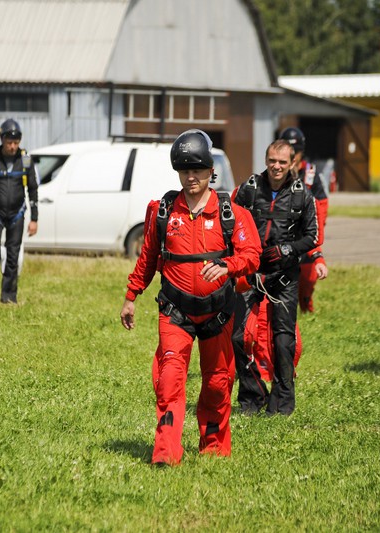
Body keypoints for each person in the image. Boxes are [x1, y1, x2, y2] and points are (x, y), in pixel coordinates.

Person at [120, 129, 261, 465]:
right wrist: (131, 296)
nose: (191, 177)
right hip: (175, 312)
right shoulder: (163, 210)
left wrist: (228, 265)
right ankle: (166, 453)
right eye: (185, 171)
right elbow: (149, 256)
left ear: (211, 172)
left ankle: (212, 448)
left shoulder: (231, 212)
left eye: (197, 170)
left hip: (218, 313)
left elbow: (253, 254)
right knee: (169, 380)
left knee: (217, 382)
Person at [232, 139, 319, 416]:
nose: (276, 166)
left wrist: (288, 248)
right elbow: (229, 220)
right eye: (272, 160)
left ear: (292, 162)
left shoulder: (302, 194)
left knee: (283, 342)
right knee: (238, 338)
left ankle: (281, 403)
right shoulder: (250, 188)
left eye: (282, 162)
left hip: (285, 277)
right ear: (265, 159)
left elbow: (312, 236)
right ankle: (252, 397)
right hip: (251, 273)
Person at [0, 118, 38, 303]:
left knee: (13, 255)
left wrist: (34, 218)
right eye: (9, 142)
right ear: (1, 139)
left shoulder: (26, 160)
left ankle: (9, 297)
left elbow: (33, 189)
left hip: (17, 214)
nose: (13, 146)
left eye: (16, 142)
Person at [279, 127, 329, 313]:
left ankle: (306, 306)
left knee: (308, 277)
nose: (293, 157)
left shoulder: (311, 174)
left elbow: (322, 203)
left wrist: (316, 228)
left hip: (304, 233)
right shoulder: (276, 171)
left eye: (296, 153)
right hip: (282, 232)